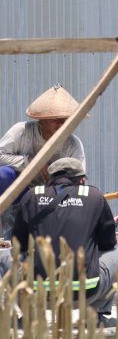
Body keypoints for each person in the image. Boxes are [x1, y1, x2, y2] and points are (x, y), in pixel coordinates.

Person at [0, 157, 117, 326]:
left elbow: (19, 244)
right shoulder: (94, 196)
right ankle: (95, 316)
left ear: (49, 179)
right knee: (117, 251)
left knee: (5, 257)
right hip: (86, 292)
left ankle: (25, 316)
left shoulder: (32, 196)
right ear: (82, 180)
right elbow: (108, 242)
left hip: (38, 292)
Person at [0, 85, 85, 237]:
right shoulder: (22, 131)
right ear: (41, 119)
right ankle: (9, 229)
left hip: (53, 196)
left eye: (65, 120)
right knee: (3, 174)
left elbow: (79, 177)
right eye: (56, 120)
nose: (61, 124)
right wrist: (32, 163)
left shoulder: (73, 144)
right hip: (20, 193)